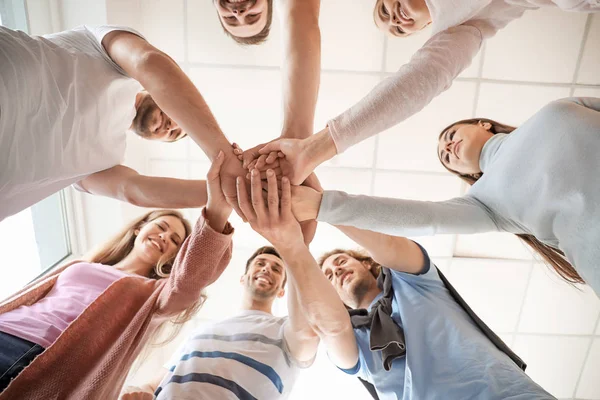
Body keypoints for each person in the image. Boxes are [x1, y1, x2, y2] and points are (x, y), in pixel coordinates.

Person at [236, 168, 554, 399]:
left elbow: (389, 246)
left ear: (366, 263)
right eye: (329, 275)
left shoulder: (414, 280)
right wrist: (295, 246)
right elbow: (331, 327)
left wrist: (320, 205)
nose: (337, 271)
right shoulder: (355, 337)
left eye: (342, 261)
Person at [246, 0, 599, 186]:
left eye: (385, 8)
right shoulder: (468, 23)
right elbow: (421, 81)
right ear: (430, 26)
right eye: (399, 29)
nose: (395, 20)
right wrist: (314, 148)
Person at [290, 97, 600, 297]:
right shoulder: (486, 202)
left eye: (450, 136)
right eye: (446, 158)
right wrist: (322, 206)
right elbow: (422, 218)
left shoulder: (557, 107)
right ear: (469, 175)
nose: (447, 148)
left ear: (483, 124)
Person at [0, 153, 234, 399]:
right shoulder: (83, 262)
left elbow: (189, 281)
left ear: (177, 257)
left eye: (175, 240)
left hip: (40, 356)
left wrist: (217, 211)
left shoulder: (155, 296)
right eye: (161, 227)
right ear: (139, 228)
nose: (165, 237)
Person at [0, 24, 247, 221]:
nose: (172, 127)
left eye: (172, 135)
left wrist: (232, 188)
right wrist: (223, 154)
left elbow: (135, 191)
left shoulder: (106, 160)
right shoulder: (102, 49)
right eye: (177, 119)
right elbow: (148, 62)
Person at [121, 243, 318, 399]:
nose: (267, 269)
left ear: (283, 291)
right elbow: (153, 383)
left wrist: (296, 250)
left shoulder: (286, 329)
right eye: (260, 263)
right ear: (243, 278)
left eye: (277, 269)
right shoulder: (202, 331)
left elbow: (307, 334)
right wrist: (138, 390)